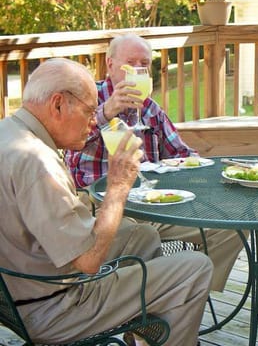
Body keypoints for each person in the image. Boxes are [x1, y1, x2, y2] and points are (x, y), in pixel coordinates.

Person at [0, 58, 213, 345]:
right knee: (195, 268)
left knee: (141, 235)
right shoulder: (38, 162)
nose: (93, 122)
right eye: (89, 111)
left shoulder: (9, 133)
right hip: (55, 307)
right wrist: (118, 186)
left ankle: (143, 336)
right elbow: (88, 261)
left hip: (17, 294)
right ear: (58, 104)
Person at [64, 34, 243, 292]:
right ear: (110, 64)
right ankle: (144, 309)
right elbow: (70, 147)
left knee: (230, 227)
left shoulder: (150, 109)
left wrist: (208, 166)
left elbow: (183, 154)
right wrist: (107, 112)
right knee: (137, 236)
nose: (138, 70)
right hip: (100, 208)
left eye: (144, 64)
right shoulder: (87, 101)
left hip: (151, 204)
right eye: (130, 63)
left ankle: (192, 297)